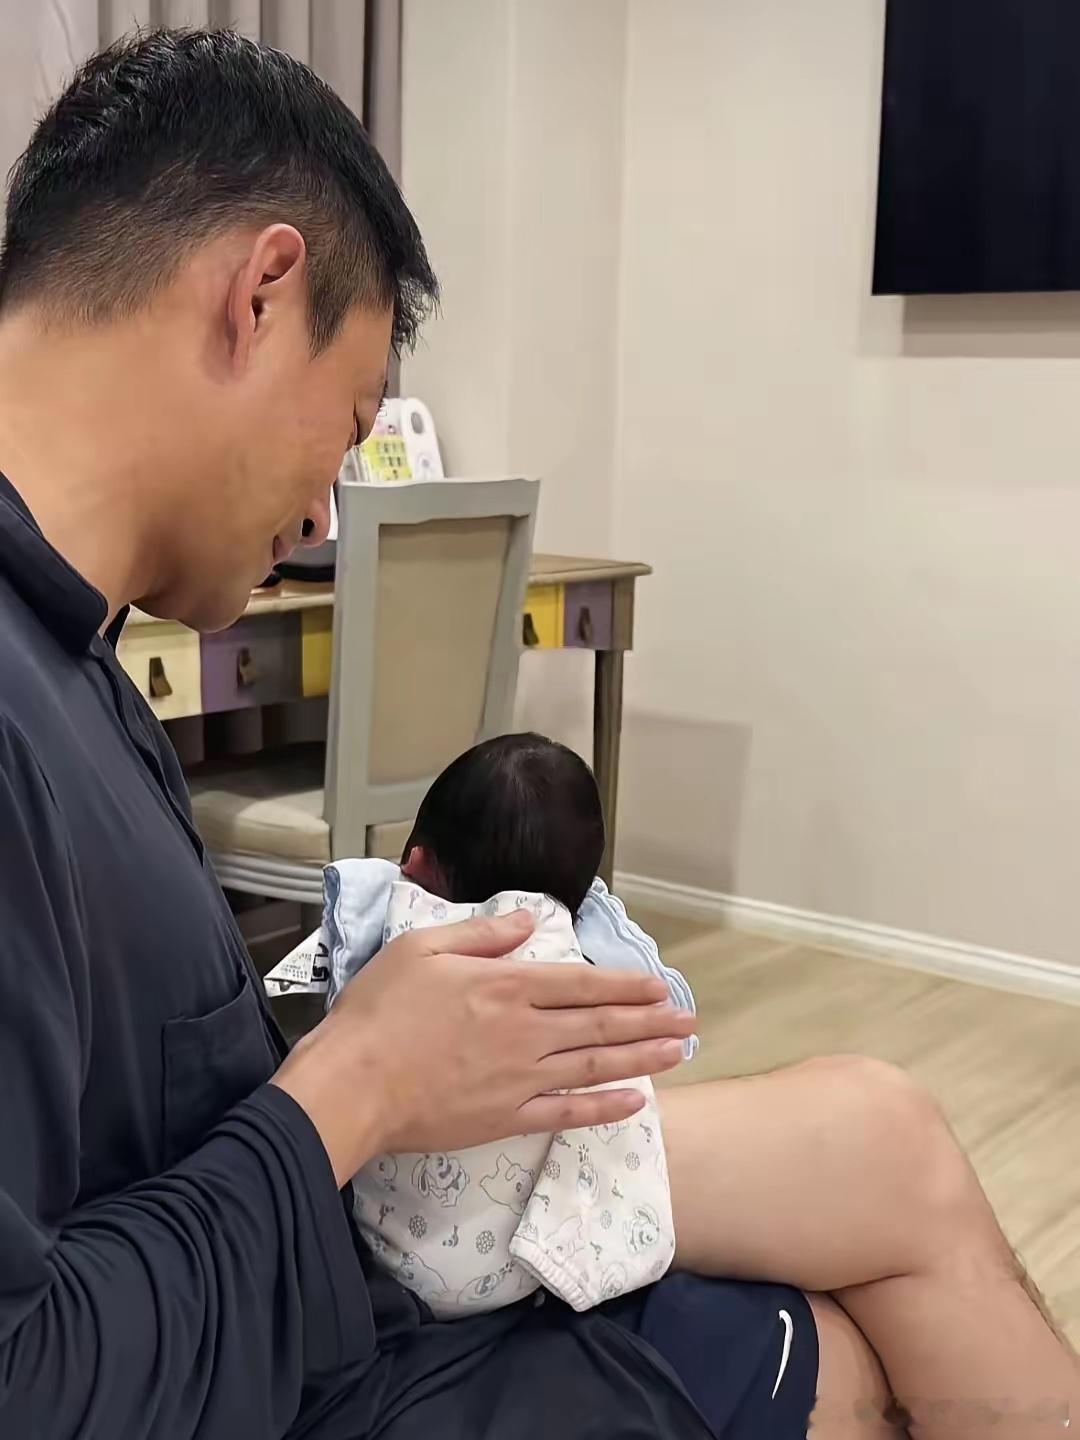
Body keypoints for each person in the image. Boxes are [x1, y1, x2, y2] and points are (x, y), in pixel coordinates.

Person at [0, 26, 1073, 1440]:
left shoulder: (76, 652)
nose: (323, 511)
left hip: (316, 1253)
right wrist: (361, 1080)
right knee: (848, 1361)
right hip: (281, 1355)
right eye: (348, 427)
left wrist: (401, 1061)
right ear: (260, 295)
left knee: (885, 1139)